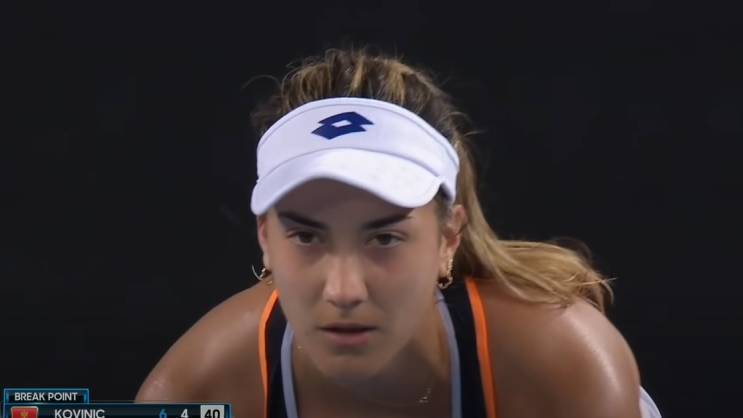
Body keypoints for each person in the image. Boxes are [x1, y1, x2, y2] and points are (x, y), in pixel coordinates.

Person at [135, 47, 662, 418]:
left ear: (448, 240)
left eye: (384, 238)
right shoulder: (194, 391)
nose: (344, 291)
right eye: (307, 237)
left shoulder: (562, 365)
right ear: (265, 240)